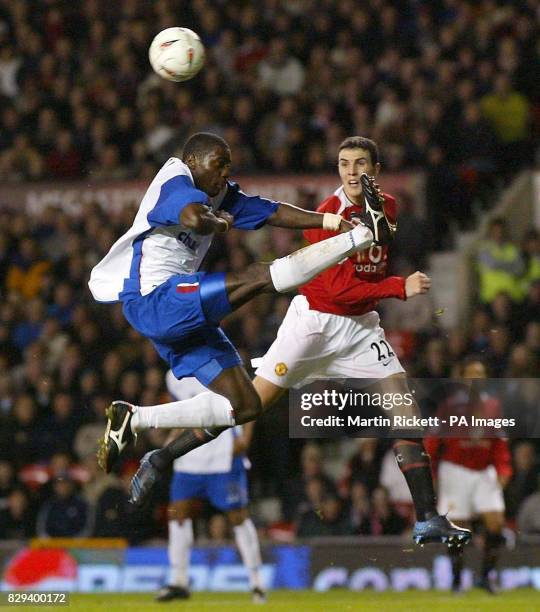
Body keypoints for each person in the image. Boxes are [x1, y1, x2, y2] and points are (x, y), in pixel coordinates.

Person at [110, 136, 471, 547]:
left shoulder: (385, 205)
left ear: (376, 170)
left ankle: (426, 519)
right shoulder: (326, 210)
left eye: (360, 164)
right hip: (314, 325)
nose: (352, 172)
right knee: (249, 404)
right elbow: (336, 291)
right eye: (344, 164)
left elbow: (270, 211)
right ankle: (160, 452)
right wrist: (395, 285)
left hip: (360, 328)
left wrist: (374, 238)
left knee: (405, 412)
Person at [92, 132, 391, 473]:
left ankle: (134, 418)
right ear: (193, 162)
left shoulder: (218, 192)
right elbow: (193, 218)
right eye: (218, 165)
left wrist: (331, 221)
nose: (224, 174)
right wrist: (219, 222)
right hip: (155, 298)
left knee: (247, 404)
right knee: (259, 277)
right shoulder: (176, 178)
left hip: (176, 310)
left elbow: (272, 212)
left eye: (228, 167)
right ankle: (361, 237)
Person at [156, 373, 265, 603]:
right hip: (190, 456)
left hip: (223, 456)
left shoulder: (220, 365)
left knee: (238, 516)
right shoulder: (173, 377)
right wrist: (167, 447)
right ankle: (179, 581)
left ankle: (256, 582)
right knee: (177, 514)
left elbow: (250, 400)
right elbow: (181, 415)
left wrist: (246, 438)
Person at [425, 357, 512, 594]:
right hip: (455, 470)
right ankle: (456, 580)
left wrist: (504, 469)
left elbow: (499, 441)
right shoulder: (449, 406)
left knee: (496, 524)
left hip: (484, 471)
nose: (476, 377)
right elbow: (432, 443)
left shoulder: (493, 406)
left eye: (480, 373)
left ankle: (485, 577)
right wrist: (430, 474)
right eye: (472, 373)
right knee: (458, 528)